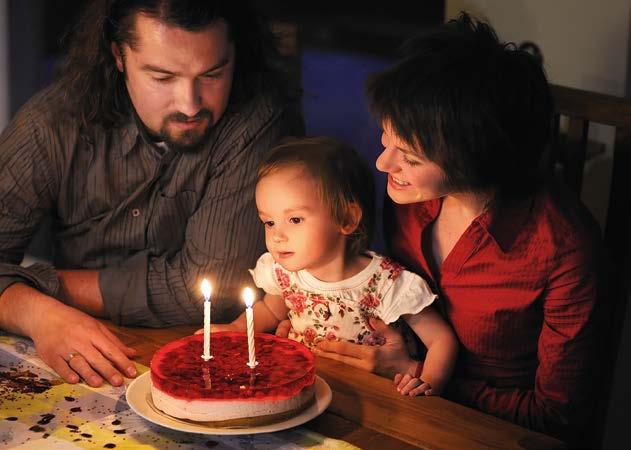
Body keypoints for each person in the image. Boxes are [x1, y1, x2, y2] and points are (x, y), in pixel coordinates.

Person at [294, 13, 602, 441]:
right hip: (391, 403)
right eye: (387, 139)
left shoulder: (563, 249)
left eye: (411, 158)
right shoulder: (410, 200)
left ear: (475, 162)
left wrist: (419, 374)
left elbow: (555, 417)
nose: (384, 164)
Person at [0, 0, 303, 389]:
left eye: (212, 73)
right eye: (162, 77)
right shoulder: (53, 124)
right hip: (76, 356)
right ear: (119, 55)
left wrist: (41, 285)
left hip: (221, 366)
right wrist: (35, 312)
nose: (190, 103)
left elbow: (209, 284)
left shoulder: (257, 120)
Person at [207, 136, 459, 396]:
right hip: (307, 391)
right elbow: (271, 311)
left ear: (347, 219)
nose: (277, 235)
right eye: (269, 222)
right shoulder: (282, 272)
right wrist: (238, 328)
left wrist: (428, 383)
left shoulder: (385, 284)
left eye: (294, 219)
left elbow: (441, 340)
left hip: (373, 399)